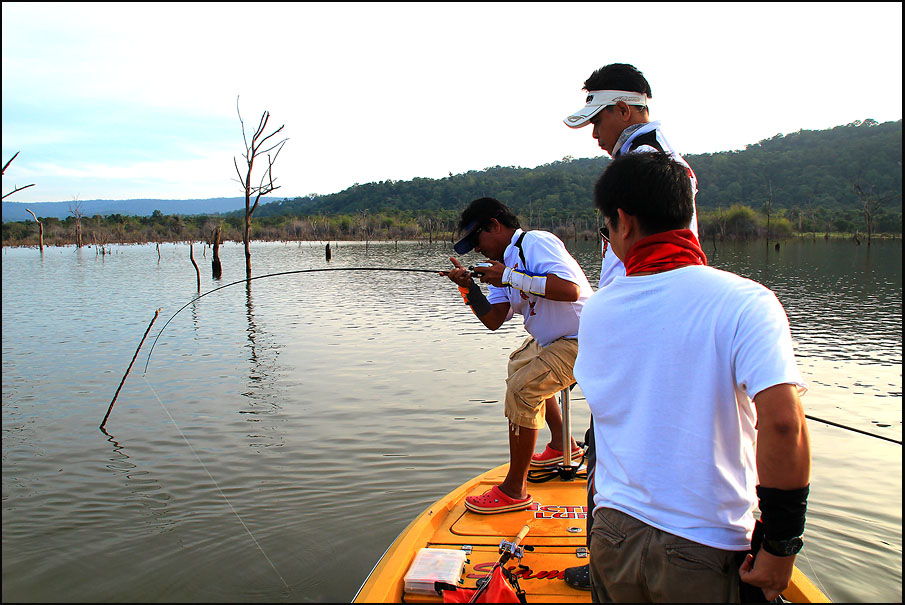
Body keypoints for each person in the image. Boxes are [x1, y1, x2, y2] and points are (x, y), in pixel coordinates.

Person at [573, 152, 811, 602]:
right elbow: (783, 423)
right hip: (706, 546)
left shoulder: (599, 308)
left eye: (606, 230)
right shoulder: (746, 302)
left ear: (624, 222)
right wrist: (780, 544)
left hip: (612, 532)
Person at [561, 62, 700, 590]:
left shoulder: (642, 165)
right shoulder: (666, 160)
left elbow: (638, 265)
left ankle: (607, 562)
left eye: (597, 120)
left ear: (624, 108)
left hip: (637, 327)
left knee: (611, 450)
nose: (594, 134)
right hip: (658, 325)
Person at [442, 197, 593, 514]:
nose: (477, 250)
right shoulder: (499, 268)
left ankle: (514, 491)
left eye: (477, 240)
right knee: (519, 364)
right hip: (554, 340)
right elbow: (494, 319)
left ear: (494, 226)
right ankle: (563, 444)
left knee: (523, 388)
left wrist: (508, 276)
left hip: (586, 338)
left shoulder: (534, 242)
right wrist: (470, 288)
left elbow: (569, 291)